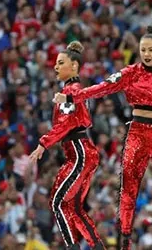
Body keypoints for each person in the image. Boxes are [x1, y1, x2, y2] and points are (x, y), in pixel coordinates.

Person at [52, 26, 152, 250]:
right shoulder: (131, 72)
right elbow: (102, 88)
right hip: (139, 132)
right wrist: (73, 97)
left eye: (151, 49)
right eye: (143, 50)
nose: (147, 54)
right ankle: (125, 239)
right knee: (128, 187)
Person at [28, 41, 104, 250]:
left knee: (57, 201)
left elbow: (66, 124)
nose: (55, 66)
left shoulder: (71, 91)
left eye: (61, 62)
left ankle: (72, 247)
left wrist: (43, 144)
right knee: (74, 207)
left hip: (78, 151)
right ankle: (96, 246)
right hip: (83, 151)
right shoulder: (72, 90)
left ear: (75, 66)